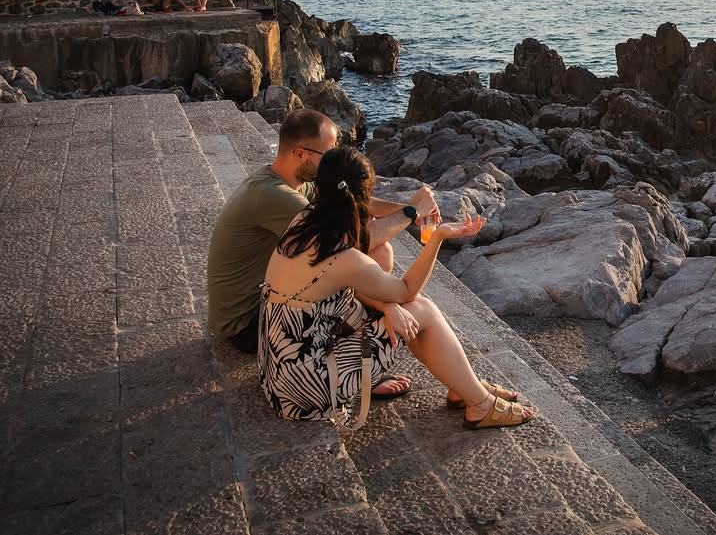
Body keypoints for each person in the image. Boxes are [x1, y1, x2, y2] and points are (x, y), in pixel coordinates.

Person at [260, 145, 535, 430]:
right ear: (362, 198)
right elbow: (406, 290)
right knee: (422, 310)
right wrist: (438, 237)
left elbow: (348, 276)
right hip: (307, 385)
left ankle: (464, 386)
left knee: (402, 302)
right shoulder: (344, 257)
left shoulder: (306, 220)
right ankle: (480, 404)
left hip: (280, 369)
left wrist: (388, 306)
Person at [206, 109, 438, 398]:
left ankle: (366, 334)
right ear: (301, 153)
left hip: (268, 298)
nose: (332, 162)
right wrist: (411, 213)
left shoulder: (297, 182)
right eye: (327, 153)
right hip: (247, 322)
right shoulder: (277, 197)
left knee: (380, 252)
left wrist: (409, 208)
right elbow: (344, 248)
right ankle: (356, 369)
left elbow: (359, 204)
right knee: (367, 261)